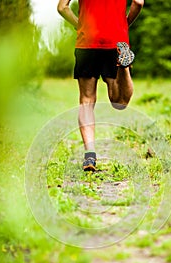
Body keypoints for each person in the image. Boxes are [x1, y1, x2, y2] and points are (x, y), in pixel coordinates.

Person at [57, 0, 144, 171]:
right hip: (117, 39)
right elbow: (138, 2)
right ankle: (123, 67)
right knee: (119, 102)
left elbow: (62, 7)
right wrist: (124, 25)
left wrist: (80, 25)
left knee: (86, 100)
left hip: (87, 41)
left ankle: (90, 155)